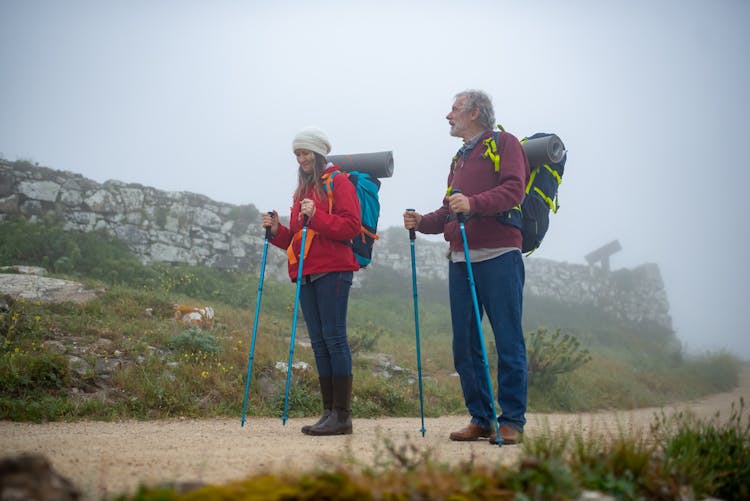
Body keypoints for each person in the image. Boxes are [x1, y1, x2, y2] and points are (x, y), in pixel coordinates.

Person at [403, 90, 530, 445]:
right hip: (461, 260)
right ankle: (482, 418)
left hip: (500, 255)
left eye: (454, 109)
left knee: (507, 338)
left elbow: (514, 191)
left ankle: (513, 421)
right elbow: (449, 211)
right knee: (465, 344)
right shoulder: (459, 159)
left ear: (474, 112)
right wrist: (421, 221)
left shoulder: (504, 143)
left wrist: (472, 202)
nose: (448, 115)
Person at [262, 127, 361, 436]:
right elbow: (295, 237)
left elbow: (351, 227)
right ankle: (329, 412)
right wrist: (276, 229)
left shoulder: (339, 182)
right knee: (319, 342)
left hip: (334, 269)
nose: (301, 158)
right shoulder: (300, 192)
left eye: (305, 153)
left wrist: (316, 215)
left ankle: (342, 416)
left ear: (318, 155)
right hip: (306, 272)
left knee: (334, 338)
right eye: (297, 154)